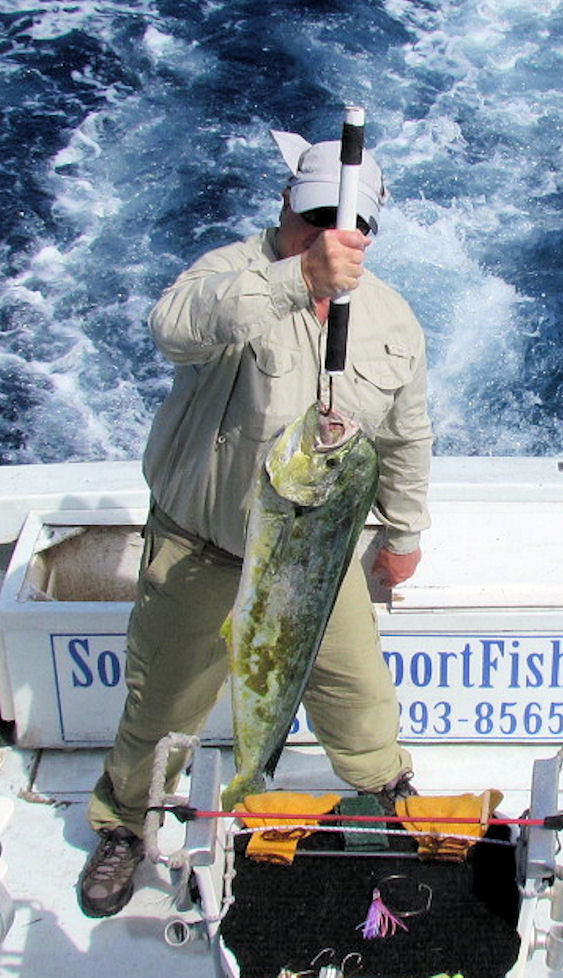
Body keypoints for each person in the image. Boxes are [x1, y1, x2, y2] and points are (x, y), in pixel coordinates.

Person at [78, 127, 433, 918]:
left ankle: (382, 790)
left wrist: (403, 532)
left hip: (313, 553)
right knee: (163, 704)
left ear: (371, 231)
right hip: (201, 545)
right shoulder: (234, 273)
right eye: (311, 216)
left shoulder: (391, 319)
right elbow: (175, 328)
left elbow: (407, 434)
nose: (328, 235)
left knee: (359, 694)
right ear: (285, 206)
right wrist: (297, 276)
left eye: (348, 225)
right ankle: (125, 825)